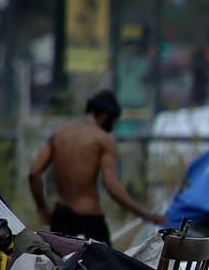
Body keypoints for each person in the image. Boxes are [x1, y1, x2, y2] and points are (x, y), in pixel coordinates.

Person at [27, 90, 167, 244]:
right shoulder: (103, 139)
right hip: (89, 219)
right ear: (106, 116)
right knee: (105, 266)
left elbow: (34, 173)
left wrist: (42, 207)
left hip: (61, 216)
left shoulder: (59, 135)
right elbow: (112, 187)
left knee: (60, 265)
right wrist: (144, 214)